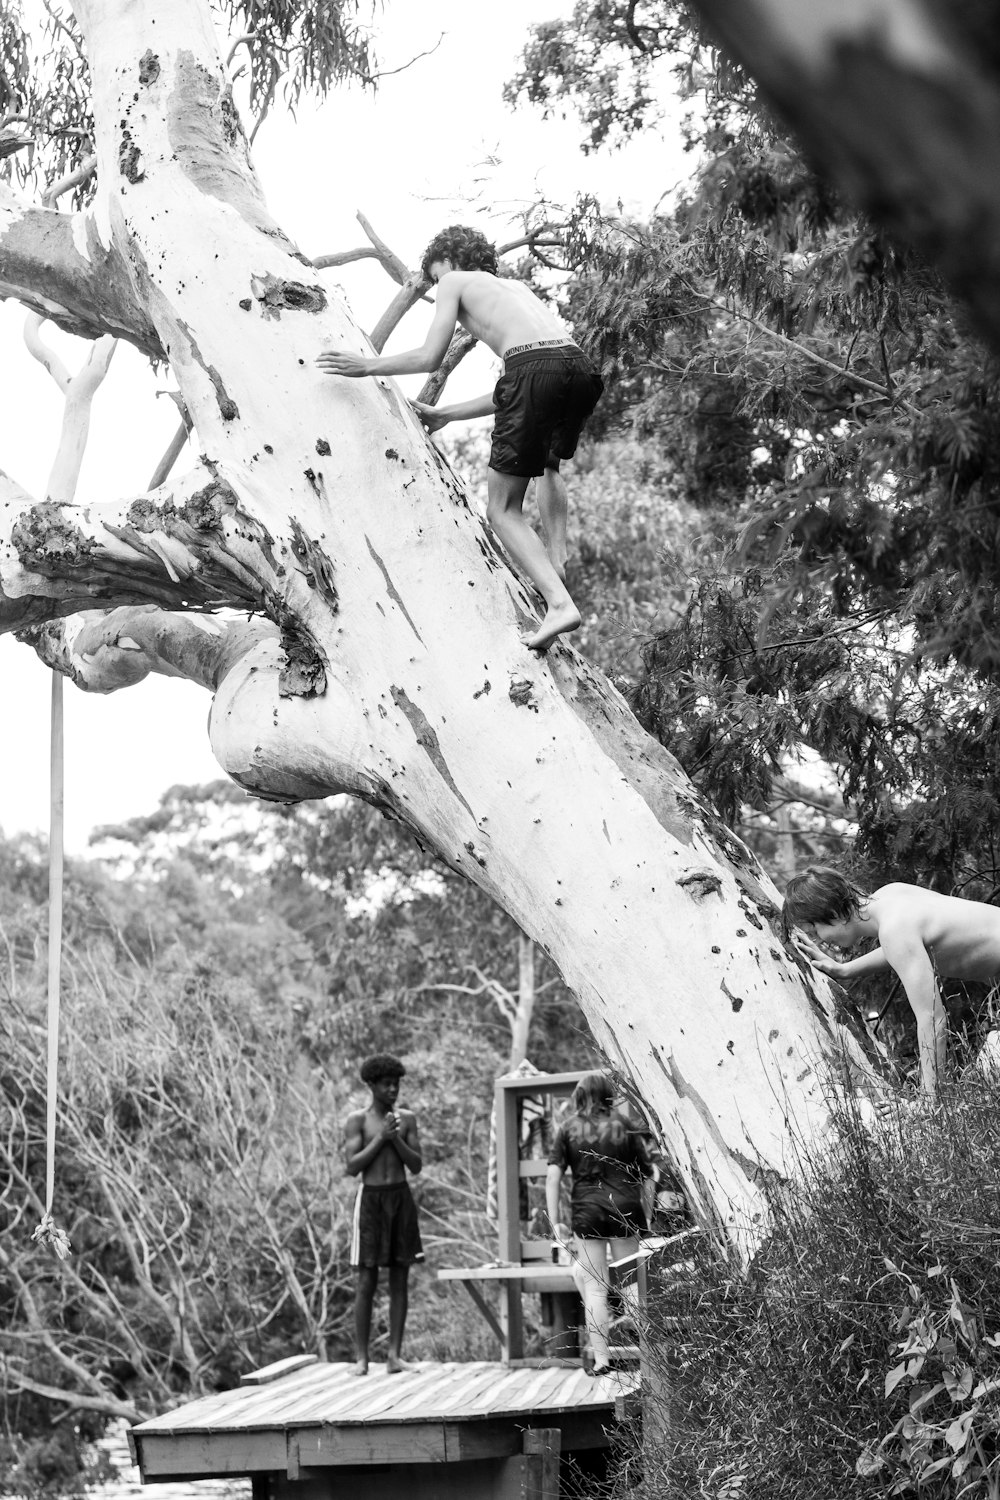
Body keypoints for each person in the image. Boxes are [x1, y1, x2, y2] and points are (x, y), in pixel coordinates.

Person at [317, 224, 603, 651]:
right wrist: (447, 413)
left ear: (448, 262)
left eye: (433, 277)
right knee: (547, 464)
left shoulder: (454, 280)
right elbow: (527, 381)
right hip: (579, 368)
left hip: (536, 371)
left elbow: (431, 357)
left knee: (502, 509)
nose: (436, 286)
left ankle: (560, 604)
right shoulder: (516, 290)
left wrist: (365, 365)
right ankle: (556, 558)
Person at [782, 865, 1000, 1095]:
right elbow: (903, 948)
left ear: (834, 915)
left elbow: (932, 1018)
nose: (822, 941)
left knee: (990, 1072)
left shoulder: (894, 929)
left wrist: (929, 1098)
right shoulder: (892, 895)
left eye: (815, 932)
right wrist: (844, 969)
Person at [545, 1071, 654, 1377]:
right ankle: (649, 1359)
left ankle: (602, 1360)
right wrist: (645, 1215)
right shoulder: (626, 1125)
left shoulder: (567, 1128)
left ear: (579, 1096)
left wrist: (555, 1223)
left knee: (595, 1287)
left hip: (587, 1210)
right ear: (608, 1096)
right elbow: (647, 1175)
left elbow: (553, 1177)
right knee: (634, 1285)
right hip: (625, 1209)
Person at [343, 1053, 423, 1375]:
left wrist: (396, 1138)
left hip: (400, 1198)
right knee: (367, 1280)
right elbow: (351, 1167)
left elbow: (416, 1165)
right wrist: (381, 1138)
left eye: (397, 1084)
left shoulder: (408, 1118)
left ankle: (394, 1356)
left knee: (400, 1277)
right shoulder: (357, 1120)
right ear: (372, 1085)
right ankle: (362, 1359)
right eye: (387, 1084)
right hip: (371, 1200)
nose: (393, 1089)